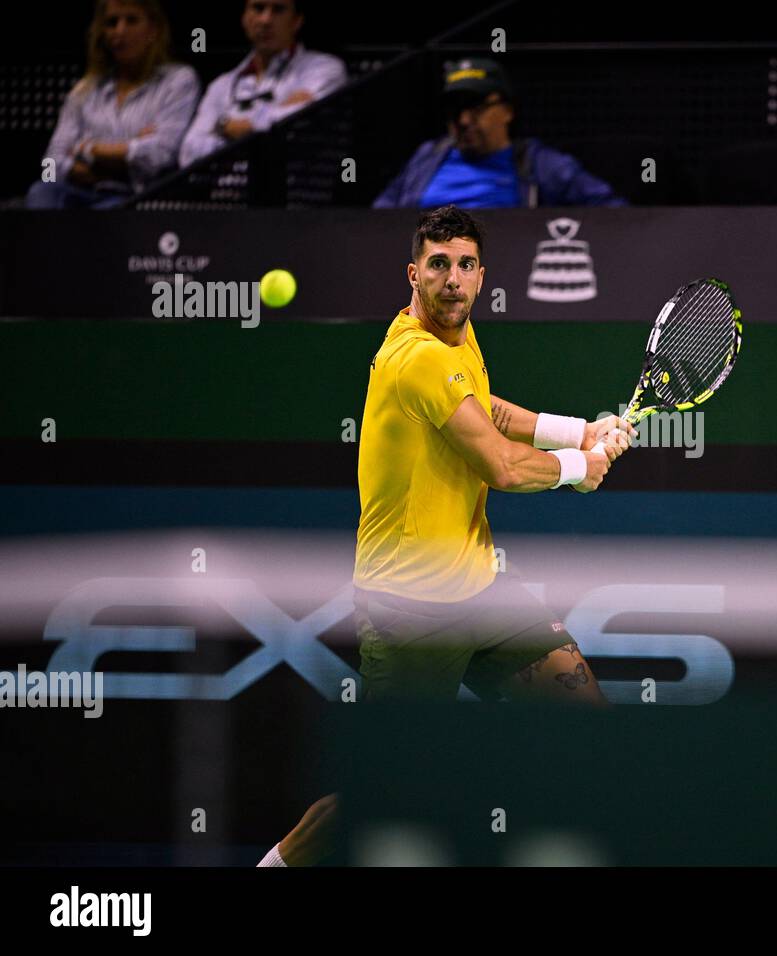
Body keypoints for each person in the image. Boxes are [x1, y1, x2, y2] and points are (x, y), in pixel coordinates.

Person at [257, 206, 632, 867]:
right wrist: (582, 467)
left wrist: (578, 430)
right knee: (378, 792)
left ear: (481, 276)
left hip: (483, 589)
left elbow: (482, 408)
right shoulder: (417, 358)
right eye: (438, 265)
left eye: (464, 265)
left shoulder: (455, 340)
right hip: (411, 612)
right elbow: (502, 464)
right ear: (413, 274)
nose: (452, 279)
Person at [373, 58, 626, 209]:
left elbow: (612, 212)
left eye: (476, 108)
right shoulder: (428, 155)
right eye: (454, 110)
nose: (463, 120)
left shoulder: (538, 163)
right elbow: (380, 220)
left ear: (507, 111)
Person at [26, 0, 199, 209]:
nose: (120, 31)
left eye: (131, 20)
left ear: (153, 30)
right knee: (42, 190)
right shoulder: (84, 90)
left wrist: (86, 149)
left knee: (105, 217)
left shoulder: (178, 80)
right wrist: (126, 150)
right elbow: (49, 163)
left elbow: (161, 154)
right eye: (112, 22)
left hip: (137, 196)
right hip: (79, 190)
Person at [179, 0, 345, 167]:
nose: (265, 20)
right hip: (226, 190)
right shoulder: (221, 85)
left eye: (278, 10)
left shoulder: (324, 69)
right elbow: (188, 154)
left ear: (296, 21)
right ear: (244, 18)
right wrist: (229, 128)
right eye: (258, 8)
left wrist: (222, 128)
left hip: (296, 188)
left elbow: (293, 131)